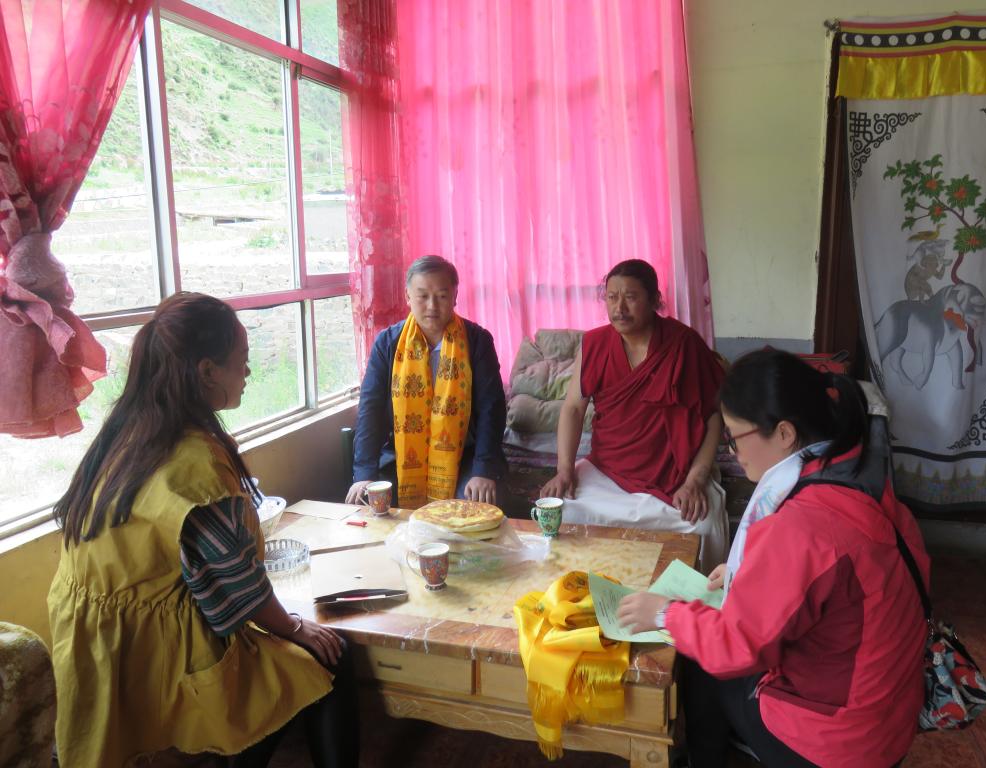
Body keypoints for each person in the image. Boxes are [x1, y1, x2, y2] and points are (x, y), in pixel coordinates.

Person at [48, 293, 358, 768]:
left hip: (89, 631)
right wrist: (297, 627)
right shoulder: (195, 463)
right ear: (208, 371)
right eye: (242, 360)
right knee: (329, 659)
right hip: (150, 643)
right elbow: (239, 591)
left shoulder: (129, 428)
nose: (248, 372)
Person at [618, 349, 929, 768]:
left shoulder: (800, 526)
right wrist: (749, 572)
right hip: (890, 712)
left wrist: (664, 614)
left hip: (840, 740)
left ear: (784, 433)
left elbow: (734, 647)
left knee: (701, 659)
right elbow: (838, 578)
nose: (732, 452)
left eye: (734, 438)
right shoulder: (861, 480)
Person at [539, 259, 728, 569]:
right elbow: (573, 408)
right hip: (608, 469)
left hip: (674, 474)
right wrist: (564, 469)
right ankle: (580, 588)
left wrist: (695, 480)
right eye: (612, 297)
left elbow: (712, 418)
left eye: (630, 297)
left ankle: (693, 595)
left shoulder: (684, 344)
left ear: (654, 300)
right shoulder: (595, 344)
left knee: (703, 521)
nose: (619, 308)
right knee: (562, 510)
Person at [346, 255, 507, 508]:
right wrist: (364, 474)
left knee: (473, 505)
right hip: (400, 453)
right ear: (408, 297)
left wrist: (483, 470)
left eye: (442, 296)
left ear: (455, 296)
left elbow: (492, 409)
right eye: (422, 296)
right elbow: (370, 409)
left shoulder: (477, 341)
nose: (432, 306)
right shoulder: (388, 343)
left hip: (464, 455)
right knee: (371, 503)